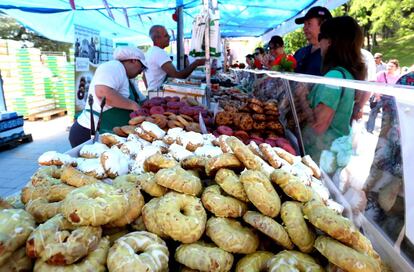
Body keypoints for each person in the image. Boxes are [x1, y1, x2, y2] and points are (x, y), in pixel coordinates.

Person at [301, 16, 366, 162]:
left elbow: (319, 126)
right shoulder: (347, 73)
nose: (319, 42)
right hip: (335, 153)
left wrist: (302, 97)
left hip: (321, 155)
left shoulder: (335, 76)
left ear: (330, 41)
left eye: (321, 37)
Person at [69, 46, 147, 147]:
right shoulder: (114, 66)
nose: (141, 72)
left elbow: (143, 101)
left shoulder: (128, 79)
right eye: (142, 67)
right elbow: (102, 92)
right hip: (89, 133)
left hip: (108, 134)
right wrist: (133, 105)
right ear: (134, 61)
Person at [144, 25, 205, 91]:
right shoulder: (159, 52)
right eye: (166, 35)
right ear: (156, 39)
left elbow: (143, 76)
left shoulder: (150, 51)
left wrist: (150, 90)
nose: (169, 37)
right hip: (157, 95)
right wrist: (196, 63)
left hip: (153, 92)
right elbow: (178, 76)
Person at [293, 6, 332, 75]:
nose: (304, 28)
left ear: (323, 25)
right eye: (304, 24)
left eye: (309, 24)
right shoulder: (299, 53)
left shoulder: (333, 56)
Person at [366, 59, 400, 133]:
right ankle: (369, 129)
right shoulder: (381, 74)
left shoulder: (397, 77)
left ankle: (383, 132)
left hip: (390, 98)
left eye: (392, 66)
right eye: (388, 65)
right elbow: (373, 83)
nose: (389, 67)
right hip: (379, 96)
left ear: (396, 68)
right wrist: (376, 94)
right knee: (373, 113)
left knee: (386, 116)